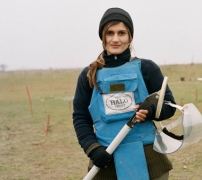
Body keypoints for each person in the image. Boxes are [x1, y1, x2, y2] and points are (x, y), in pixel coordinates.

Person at [73, 7, 176, 180]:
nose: (115, 39)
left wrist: (151, 111)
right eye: (110, 33)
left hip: (149, 160)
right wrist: (93, 149)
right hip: (106, 161)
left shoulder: (147, 68)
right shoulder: (88, 75)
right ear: (102, 36)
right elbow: (80, 117)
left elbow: (169, 105)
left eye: (122, 33)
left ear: (130, 37)